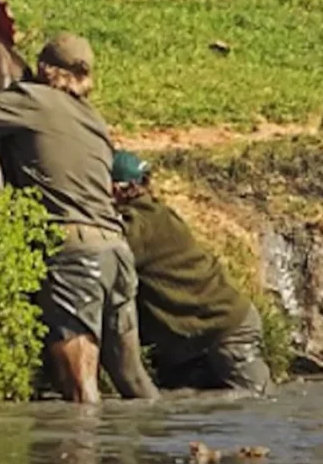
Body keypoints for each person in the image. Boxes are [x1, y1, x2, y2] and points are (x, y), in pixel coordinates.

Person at [0, 32, 160, 403]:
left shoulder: (33, 99)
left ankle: (77, 458)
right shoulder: (96, 122)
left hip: (73, 255)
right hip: (117, 253)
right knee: (135, 384)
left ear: (43, 69)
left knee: (81, 395)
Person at [110, 150, 274, 395]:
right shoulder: (158, 213)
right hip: (206, 333)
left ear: (120, 189)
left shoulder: (139, 225)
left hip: (226, 330)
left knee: (257, 405)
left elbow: (111, 252)